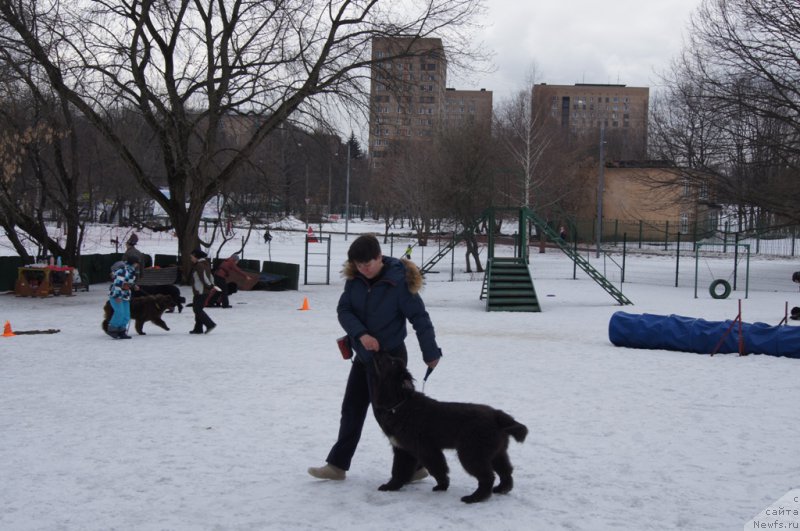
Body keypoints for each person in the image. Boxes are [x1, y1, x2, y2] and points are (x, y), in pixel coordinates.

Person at [308, 234, 442, 482]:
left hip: (390, 361)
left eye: (367, 264)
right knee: (351, 409)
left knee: (389, 417)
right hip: (363, 355)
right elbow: (344, 310)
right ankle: (337, 466)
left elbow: (420, 318)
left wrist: (430, 352)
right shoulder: (355, 280)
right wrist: (361, 334)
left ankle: (416, 467)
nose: (363, 270)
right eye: (358, 265)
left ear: (379, 257)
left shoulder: (399, 283)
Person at [106, 255, 139, 339]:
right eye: (136, 263)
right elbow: (117, 284)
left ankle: (122, 331)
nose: (137, 265)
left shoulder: (131, 271)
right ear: (133, 263)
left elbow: (128, 281)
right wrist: (117, 296)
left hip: (125, 295)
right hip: (116, 295)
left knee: (126, 315)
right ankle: (112, 329)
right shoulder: (123, 271)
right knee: (119, 312)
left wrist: (133, 285)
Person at [189, 249, 218, 334]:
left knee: (197, 309)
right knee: (198, 309)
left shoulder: (199, 265)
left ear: (196, 257)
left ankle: (210, 324)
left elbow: (204, 277)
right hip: (202, 290)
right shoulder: (205, 264)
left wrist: (209, 286)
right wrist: (212, 284)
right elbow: (210, 276)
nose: (191, 259)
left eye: (192, 257)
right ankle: (198, 329)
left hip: (201, 290)